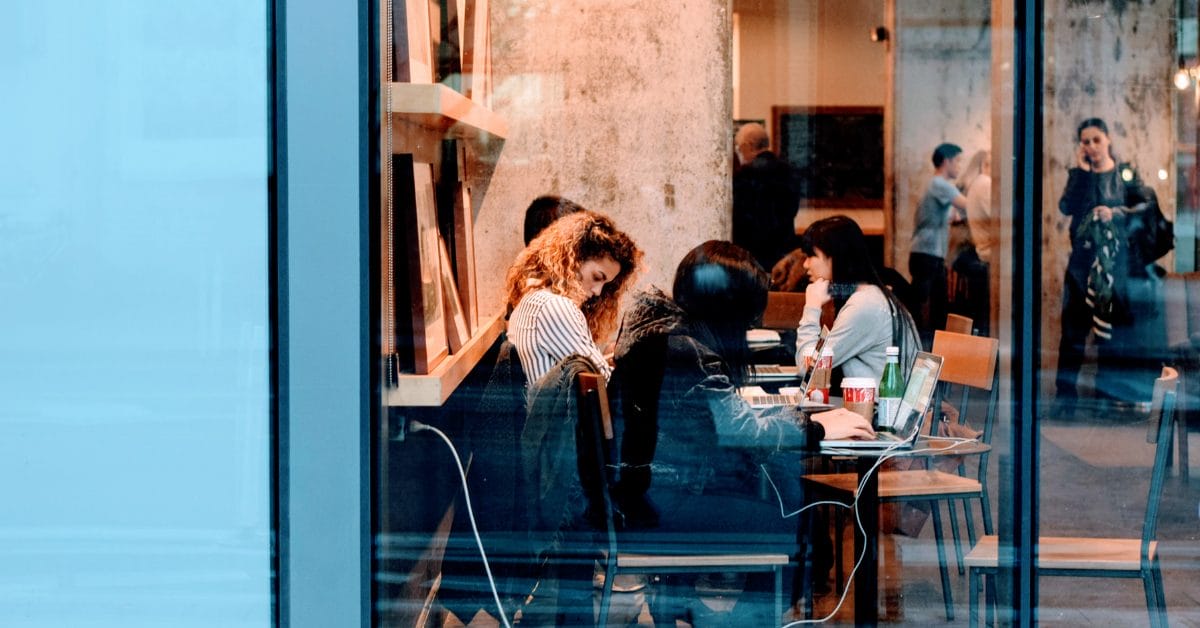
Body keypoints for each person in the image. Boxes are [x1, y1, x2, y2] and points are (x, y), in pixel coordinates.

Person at [612, 241, 875, 527]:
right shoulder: (687, 353)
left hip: (652, 492)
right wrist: (818, 427)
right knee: (805, 530)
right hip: (665, 500)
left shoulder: (668, 338)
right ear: (728, 309)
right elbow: (740, 433)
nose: (750, 325)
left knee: (786, 496)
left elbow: (730, 425)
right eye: (748, 317)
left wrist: (811, 422)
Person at [1055, 117, 1163, 416]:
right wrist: (1081, 171)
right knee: (1073, 332)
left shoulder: (1124, 172)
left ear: (1108, 140)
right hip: (1081, 265)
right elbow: (1066, 206)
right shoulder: (1080, 174)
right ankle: (1066, 399)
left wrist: (1115, 212)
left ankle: (1105, 398)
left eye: (1096, 140)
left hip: (1114, 265)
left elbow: (1146, 207)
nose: (1091, 147)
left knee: (1111, 335)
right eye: (1085, 142)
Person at [504, 210, 642, 385]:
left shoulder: (535, 299)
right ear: (575, 259)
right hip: (561, 412)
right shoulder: (555, 307)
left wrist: (605, 360)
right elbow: (602, 383)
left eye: (606, 284)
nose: (598, 291)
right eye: (597, 277)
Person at [796, 216, 922, 382]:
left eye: (811, 255)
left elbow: (806, 368)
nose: (805, 264)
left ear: (835, 257)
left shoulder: (865, 305)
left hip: (879, 406)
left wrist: (812, 307)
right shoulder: (871, 294)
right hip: (873, 403)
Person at [909, 143, 969, 346]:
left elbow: (951, 215)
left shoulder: (935, 186)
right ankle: (921, 348)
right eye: (958, 161)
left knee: (934, 305)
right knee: (926, 305)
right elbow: (968, 205)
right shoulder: (940, 184)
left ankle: (928, 349)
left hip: (926, 253)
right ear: (947, 161)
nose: (959, 166)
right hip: (927, 253)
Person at [732, 122, 802, 272]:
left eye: (739, 147)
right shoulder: (789, 171)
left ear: (749, 145)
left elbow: (741, 219)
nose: (739, 151)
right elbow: (792, 209)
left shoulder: (746, 175)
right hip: (784, 250)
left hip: (754, 254)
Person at [949, 149, 993, 335]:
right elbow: (1002, 220)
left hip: (979, 252)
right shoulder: (985, 184)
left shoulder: (976, 184)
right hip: (988, 255)